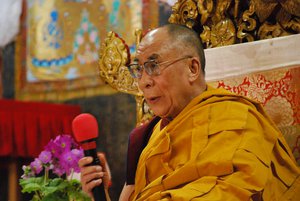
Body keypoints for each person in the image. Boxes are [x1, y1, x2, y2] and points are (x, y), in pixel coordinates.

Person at [79, 24, 300, 200]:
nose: (144, 82)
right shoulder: (145, 138)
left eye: (153, 66)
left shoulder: (239, 119)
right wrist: (101, 193)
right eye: (139, 69)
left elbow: (240, 191)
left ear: (192, 69)